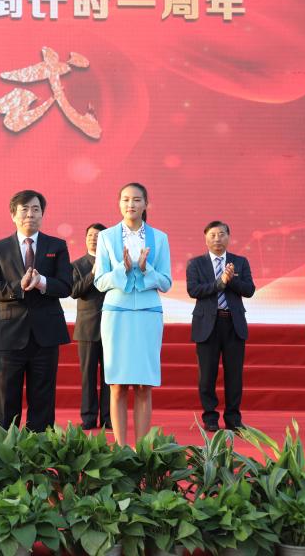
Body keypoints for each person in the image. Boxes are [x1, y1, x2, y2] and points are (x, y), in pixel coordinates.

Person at [0, 190, 72, 433]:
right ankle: (2, 450)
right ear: (13, 215)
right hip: (10, 333)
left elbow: (66, 286)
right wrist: (17, 287)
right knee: (5, 399)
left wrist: (42, 282)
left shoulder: (57, 246)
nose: (30, 214)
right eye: (24, 209)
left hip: (46, 334)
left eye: (35, 209)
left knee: (43, 399)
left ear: (42, 214)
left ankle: (39, 450)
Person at [94, 183, 172, 445]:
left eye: (137, 199)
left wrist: (146, 269)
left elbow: (166, 282)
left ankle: (141, 451)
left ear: (146, 204)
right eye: (126, 199)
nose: (131, 204)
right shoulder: (106, 237)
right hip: (117, 314)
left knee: (144, 385)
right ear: (119, 203)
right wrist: (122, 269)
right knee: (117, 385)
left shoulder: (160, 238)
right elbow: (99, 282)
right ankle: (119, 449)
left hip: (148, 314)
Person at [186, 221, 255, 431]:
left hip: (233, 324)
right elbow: (194, 290)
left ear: (229, 237)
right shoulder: (196, 263)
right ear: (206, 238)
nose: (218, 239)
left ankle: (233, 418)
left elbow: (249, 290)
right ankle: (210, 417)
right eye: (213, 235)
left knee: (234, 375)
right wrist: (220, 283)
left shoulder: (240, 262)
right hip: (208, 324)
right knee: (207, 375)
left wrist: (230, 280)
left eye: (222, 234)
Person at [71, 223, 109, 431]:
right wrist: (93, 273)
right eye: (90, 235)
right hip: (87, 327)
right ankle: (88, 417)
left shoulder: (113, 263)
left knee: (109, 376)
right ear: (85, 239)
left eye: (98, 236)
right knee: (88, 375)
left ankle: (108, 417)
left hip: (112, 326)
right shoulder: (77, 265)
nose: (94, 239)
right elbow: (75, 291)